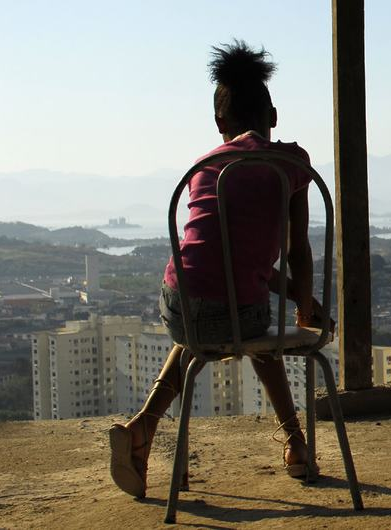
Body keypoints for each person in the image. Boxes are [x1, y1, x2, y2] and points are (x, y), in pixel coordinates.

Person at [109, 40, 323, 498]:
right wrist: (304, 308)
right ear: (275, 116)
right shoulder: (290, 163)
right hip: (234, 310)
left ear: (219, 123)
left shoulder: (206, 166)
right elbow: (297, 250)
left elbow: (225, 260)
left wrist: (291, 299)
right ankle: (296, 442)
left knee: (204, 326)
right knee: (256, 328)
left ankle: (144, 428)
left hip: (178, 302)